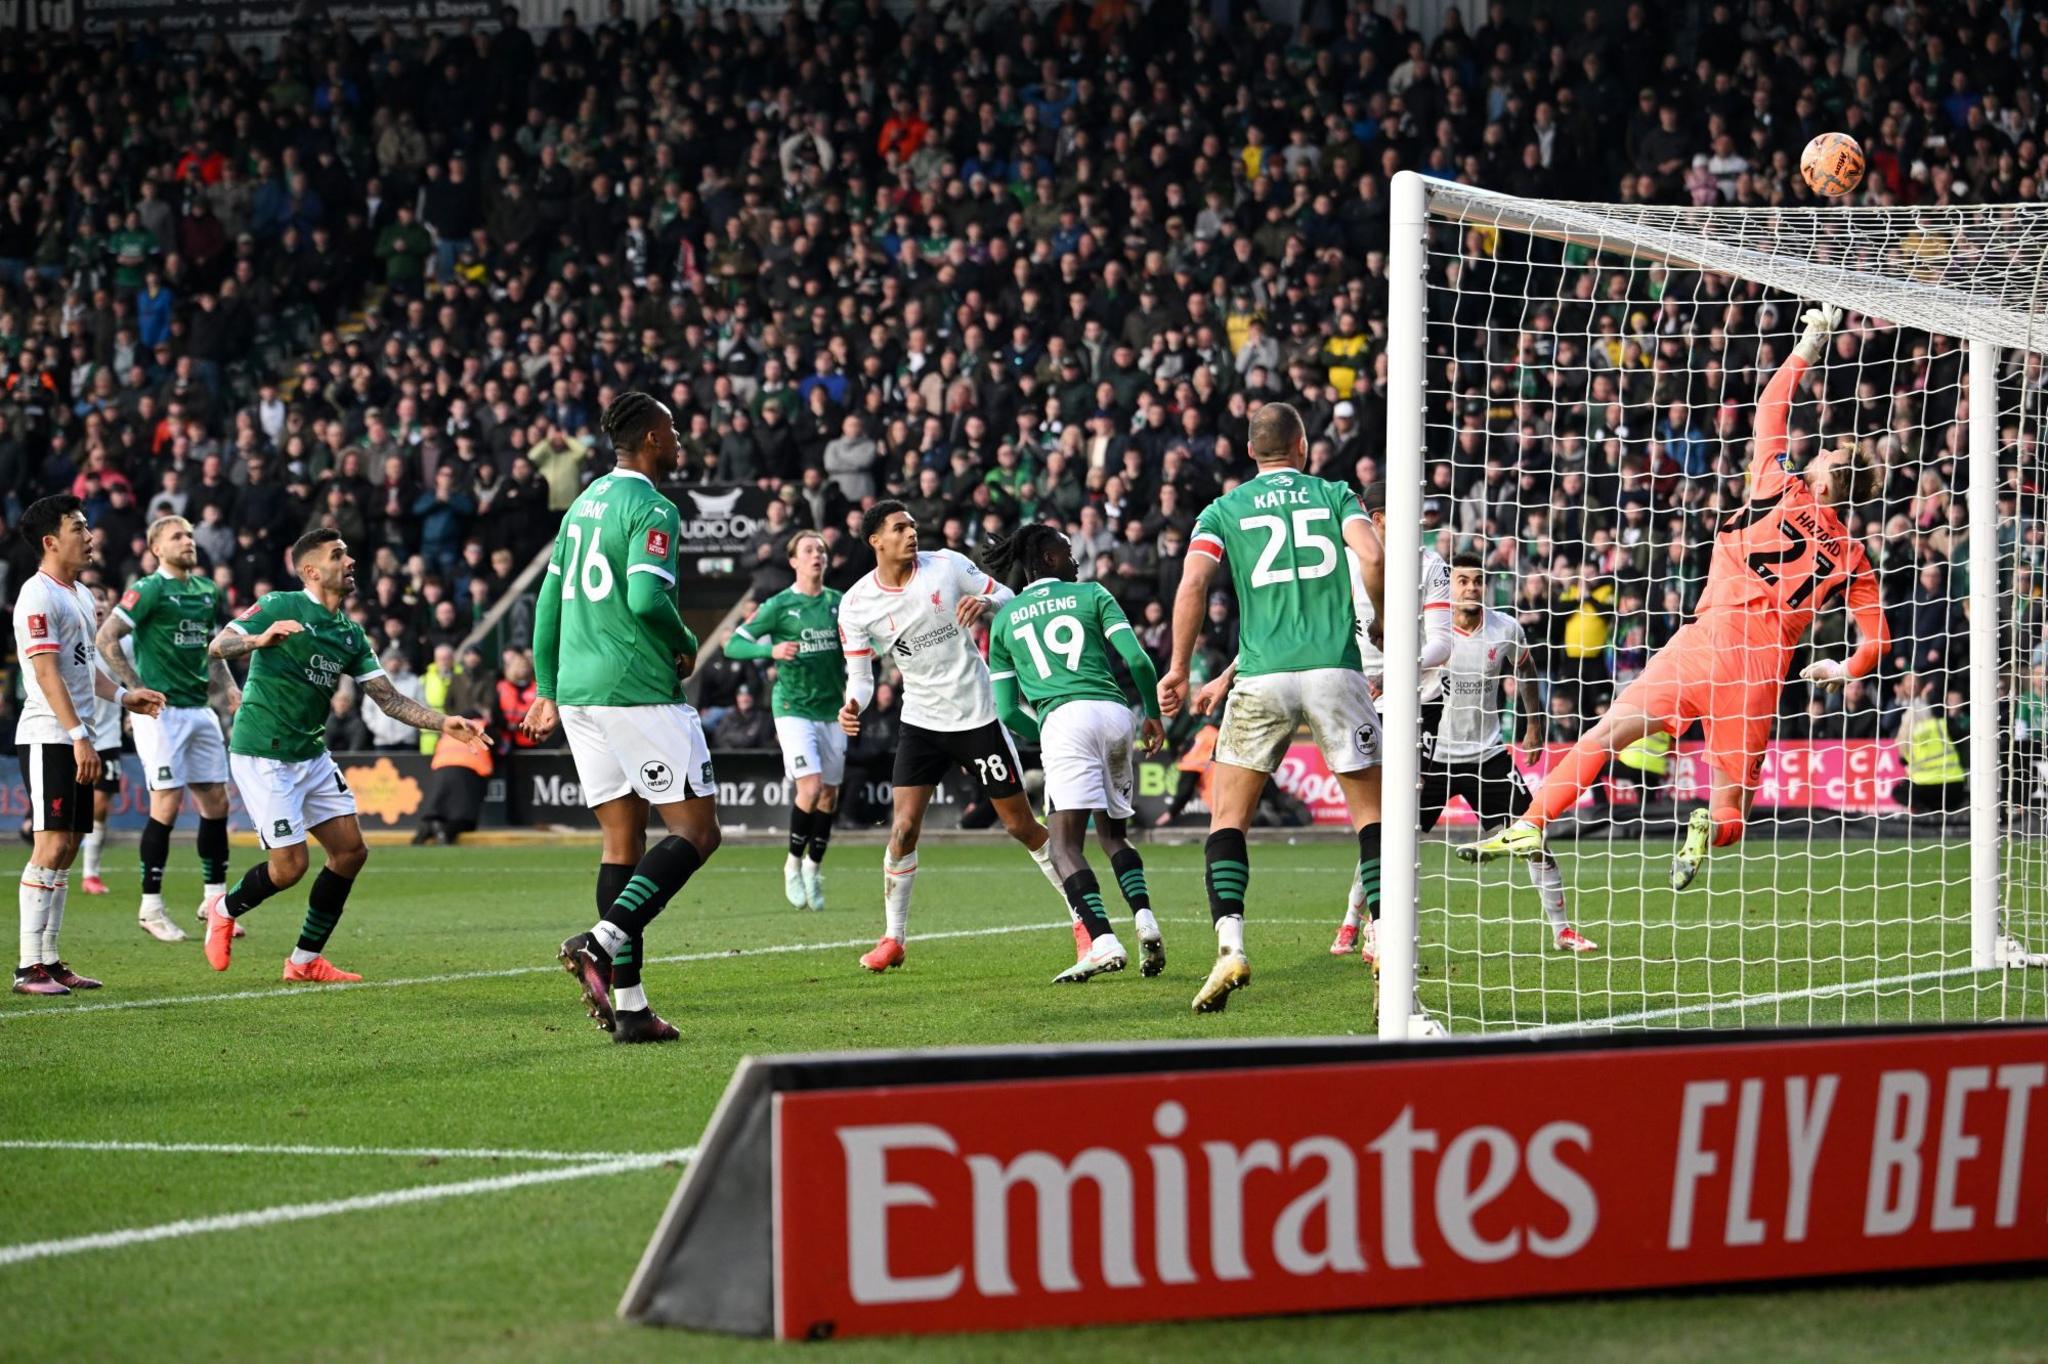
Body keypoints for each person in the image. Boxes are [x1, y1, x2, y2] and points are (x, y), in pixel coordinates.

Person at [1467, 306, 1889, 888]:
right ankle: (1703, 828)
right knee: (1730, 809)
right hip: (1760, 670)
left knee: (1603, 736)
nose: (1819, 451)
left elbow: (1770, 407)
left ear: (1826, 480)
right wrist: (1843, 667)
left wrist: (1808, 346)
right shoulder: (1854, 559)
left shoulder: (1779, 484)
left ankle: (1533, 821)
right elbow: (1878, 642)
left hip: (1702, 642)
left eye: (1829, 455)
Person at [1157, 402, 1387, 1013]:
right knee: (1372, 818)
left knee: (1227, 820)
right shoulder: (1335, 494)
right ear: (1303, 445)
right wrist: (1386, 624)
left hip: (1262, 678)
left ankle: (1230, 947)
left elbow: (1193, 585)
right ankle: (1386, 941)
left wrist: (1181, 667)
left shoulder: (1222, 510)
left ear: (1251, 450)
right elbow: (1373, 557)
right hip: (1336, 669)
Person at [521, 391, 722, 1046]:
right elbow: (644, 597)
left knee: (622, 845)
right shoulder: (651, 506)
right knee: (696, 832)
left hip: (579, 693)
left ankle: (631, 1008)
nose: (680, 440)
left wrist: (548, 686)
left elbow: (548, 599)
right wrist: (686, 640)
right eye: (673, 430)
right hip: (635, 688)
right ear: (651, 439)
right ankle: (601, 941)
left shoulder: (581, 507)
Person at [202, 528, 487, 983]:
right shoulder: (279, 604)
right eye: (338, 555)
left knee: (351, 852)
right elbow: (218, 647)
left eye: (348, 552)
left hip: (310, 754)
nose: (350, 560)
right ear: (311, 570)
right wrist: (260, 640)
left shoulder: (349, 634)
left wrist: (443, 721)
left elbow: (389, 699)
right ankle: (223, 907)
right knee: (290, 867)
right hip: (263, 753)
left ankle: (303, 961)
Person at [836, 500, 1070, 972]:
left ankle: (1085, 919)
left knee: (1021, 827)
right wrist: (854, 703)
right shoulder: (856, 603)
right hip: (921, 720)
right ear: (875, 541)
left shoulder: (946, 565)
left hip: (977, 714)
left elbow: (1009, 594)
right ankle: (893, 939)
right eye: (899, 528)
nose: (911, 533)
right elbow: (861, 675)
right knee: (902, 829)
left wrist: (985, 601)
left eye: (913, 526)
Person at [984, 524, 1169, 982]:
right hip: (1112, 712)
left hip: (1064, 720)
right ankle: (1145, 919)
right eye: (1068, 552)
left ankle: (1103, 941)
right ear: (1047, 558)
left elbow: (1007, 709)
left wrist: (1046, 730)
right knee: (1114, 835)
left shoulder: (1005, 619)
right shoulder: (1092, 594)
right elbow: (1140, 661)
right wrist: (1152, 713)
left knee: (1065, 844)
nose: (1076, 560)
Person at [12, 494, 166, 996]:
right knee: (50, 844)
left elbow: (84, 669)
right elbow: (46, 672)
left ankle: (51, 960)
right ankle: (27, 967)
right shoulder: (38, 596)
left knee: (69, 847)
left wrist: (125, 696)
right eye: (78, 528)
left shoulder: (76, 593)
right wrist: (80, 736)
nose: (90, 535)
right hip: (48, 735)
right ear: (51, 542)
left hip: (75, 735)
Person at [1418, 553, 1594, 950]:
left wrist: (1534, 725)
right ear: (1450, 585)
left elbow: (1526, 670)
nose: (1471, 588)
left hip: (1488, 756)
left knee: (1533, 836)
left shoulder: (1505, 628)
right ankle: (1353, 922)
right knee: (1388, 837)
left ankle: (1562, 929)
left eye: (1478, 581)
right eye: (1463, 581)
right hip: (1432, 757)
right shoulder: (1430, 632)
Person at [94, 514, 239, 943]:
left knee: (216, 802)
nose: (188, 541)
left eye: (191, 535)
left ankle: (214, 903)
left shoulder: (206, 590)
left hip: (200, 710)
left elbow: (212, 649)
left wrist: (230, 689)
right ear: (157, 548)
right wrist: (136, 689)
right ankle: (150, 907)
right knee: (167, 805)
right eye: (177, 535)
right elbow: (107, 637)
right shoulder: (148, 588)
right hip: (162, 714)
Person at [722, 529, 845, 911]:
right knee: (809, 788)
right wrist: (770, 647)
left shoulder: (840, 603)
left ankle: (813, 866)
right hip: (792, 707)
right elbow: (732, 643)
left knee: (829, 794)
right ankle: (791, 864)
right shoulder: (778, 605)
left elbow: (863, 640)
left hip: (832, 708)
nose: (816, 555)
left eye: (821, 550)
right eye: (809, 550)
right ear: (793, 561)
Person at [78, 584, 125, 897]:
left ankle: (90, 873)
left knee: (100, 803)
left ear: (110, 607)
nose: (98, 604)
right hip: (72, 734)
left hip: (107, 736)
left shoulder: (123, 645)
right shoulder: (74, 638)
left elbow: (137, 675)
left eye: (103, 599)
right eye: (92, 599)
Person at [417, 711, 494, 843]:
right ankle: (445, 832)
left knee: (437, 809)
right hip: (469, 769)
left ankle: (427, 830)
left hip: (441, 768)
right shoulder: (484, 727)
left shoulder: (451, 728)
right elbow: (499, 747)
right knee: (464, 817)